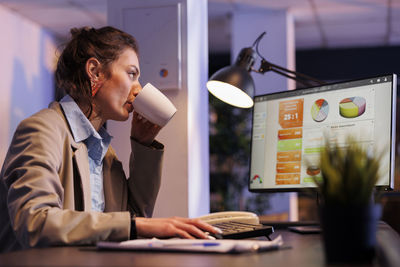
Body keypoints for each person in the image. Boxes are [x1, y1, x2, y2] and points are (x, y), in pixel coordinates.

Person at [0, 26, 219, 252]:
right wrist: (136, 225)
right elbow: (35, 223)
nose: (138, 89)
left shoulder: (103, 151)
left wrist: (142, 145)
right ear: (94, 71)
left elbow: (131, 220)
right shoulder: (42, 129)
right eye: (131, 74)